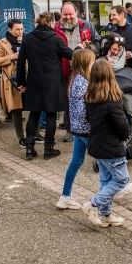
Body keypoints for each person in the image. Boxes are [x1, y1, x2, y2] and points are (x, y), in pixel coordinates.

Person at [83, 59, 132, 227]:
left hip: (97, 145)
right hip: (111, 147)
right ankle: (92, 204)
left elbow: (87, 119)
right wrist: (125, 136)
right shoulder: (112, 100)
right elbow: (123, 127)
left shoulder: (90, 97)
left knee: (106, 181)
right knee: (122, 180)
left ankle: (106, 214)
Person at [16, 12, 73, 160]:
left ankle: (29, 149)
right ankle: (49, 149)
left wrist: (21, 82)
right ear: (51, 23)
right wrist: (82, 49)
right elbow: (70, 54)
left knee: (33, 114)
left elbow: (20, 63)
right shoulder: (56, 40)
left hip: (34, 82)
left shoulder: (28, 39)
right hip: (52, 84)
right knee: (51, 115)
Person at [54, 1, 101, 142]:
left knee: (87, 99)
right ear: (60, 13)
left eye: (70, 14)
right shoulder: (55, 28)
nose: (68, 17)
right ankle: (70, 130)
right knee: (69, 100)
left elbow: (97, 41)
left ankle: (88, 127)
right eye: (65, 14)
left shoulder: (87, 25)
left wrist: (90, 47)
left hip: (84, 70)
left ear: (77, 13)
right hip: (64, 69)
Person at [56, 49, 96, 210]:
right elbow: (85, 108)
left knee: (76, 162)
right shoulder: (83, 82)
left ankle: (65, 196)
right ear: (86, 63)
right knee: (106, 161)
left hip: (77, 129)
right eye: (92, 61)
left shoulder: (75, 79)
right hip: (86, 129)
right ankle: (115, 189)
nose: (94, 64)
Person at [0, 19, 26, 146]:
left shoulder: (26, 40)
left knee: (34, 106)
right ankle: (21, 137)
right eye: (17, 29)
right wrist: (12, 57)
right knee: (16, 109)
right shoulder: (2, 43)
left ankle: (35, 134)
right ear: (10, 30)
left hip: (27, 78)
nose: (20, 32)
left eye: (22, 29)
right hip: (12, 80)